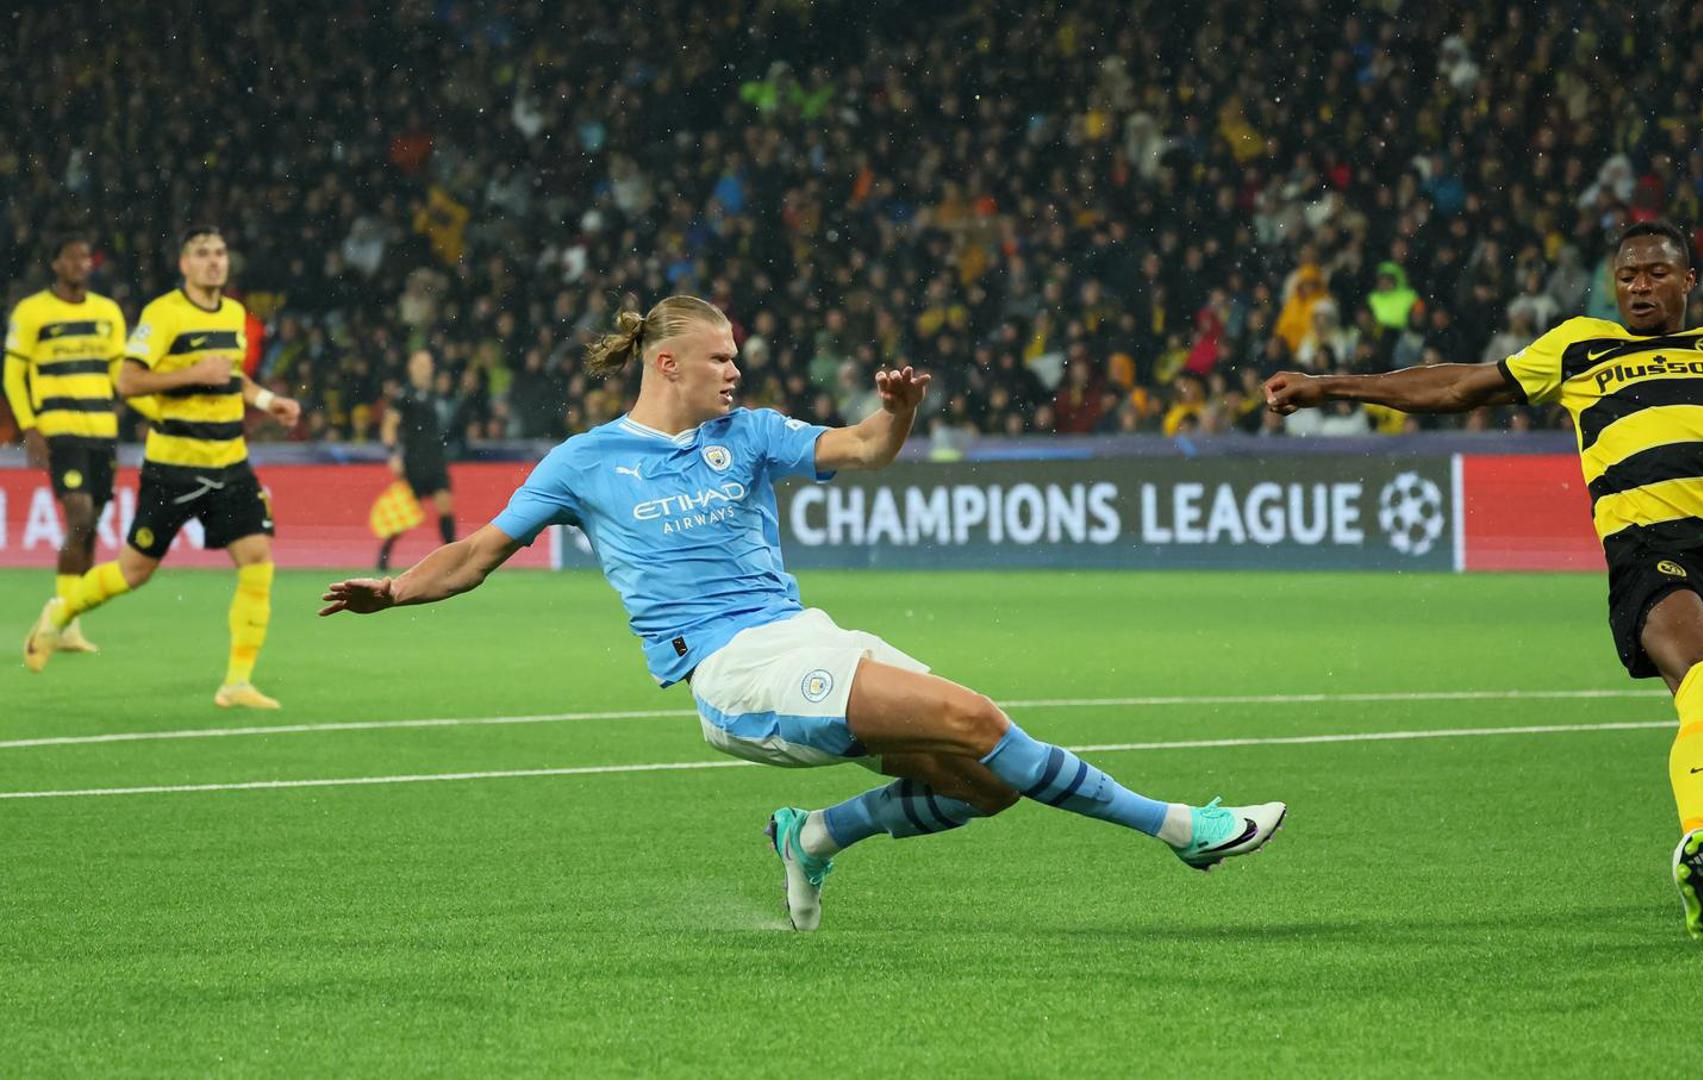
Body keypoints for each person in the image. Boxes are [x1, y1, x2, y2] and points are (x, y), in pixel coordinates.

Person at [320, 295, 1286, 931]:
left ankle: (814, 836)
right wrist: (395, 590)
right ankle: (1180, 828)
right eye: (720, 358)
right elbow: (479, 551)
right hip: (736, 674)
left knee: (986, 786)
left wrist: (899, 412)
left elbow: (865, 447)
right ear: (666, 363)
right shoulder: (584, 461)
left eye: (737, 357)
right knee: (977, 721)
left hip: (808, 638)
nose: (734, 372)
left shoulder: (749, 434)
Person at [1263, 176, 1703, 943]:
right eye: (1627, 275)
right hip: (1651, 556)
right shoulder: (1579, 348)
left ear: (1690, 281)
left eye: (1657, 272)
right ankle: (1700, 842)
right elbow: (1458, 386)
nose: (1640, 287)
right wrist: (1329, 386)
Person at [24, 227, 304, 709]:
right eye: (203, 254)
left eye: (220, 253)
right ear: (185, 265)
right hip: (174, 467)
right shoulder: (163, 314)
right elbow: (128, 381)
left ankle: (236, 682)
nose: (214, 261)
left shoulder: (234, 314)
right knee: (134, 572)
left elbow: (231, 375)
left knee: (258, 559)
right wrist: (194, 373)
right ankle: (61, 610)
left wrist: (265, 400)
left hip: (230, 463)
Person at [5, 234, 130, 655]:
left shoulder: (107, 312)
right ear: (55, 264)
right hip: (60, 430)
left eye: (86, 257)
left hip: (102, 432)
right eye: (72, 257)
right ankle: (58, 618)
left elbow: (120, 375)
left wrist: (154, 408)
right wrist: (30, 427)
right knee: (79, 514)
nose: (82, 263)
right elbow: (12, 375)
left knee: (91, 525)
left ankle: (69, 622)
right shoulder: (32, 312)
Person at [377, 349, 457, 571]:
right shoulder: (404, 396)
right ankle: (384, 553)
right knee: (405, 513)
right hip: (414, 462)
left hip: (435, 460)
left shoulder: (436, 394)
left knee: (445, 505)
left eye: (428, 364)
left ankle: (452, 556)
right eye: (420, 364)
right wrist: (392, 454)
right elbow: (389, 426)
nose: (425, 368)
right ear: (411, 367)